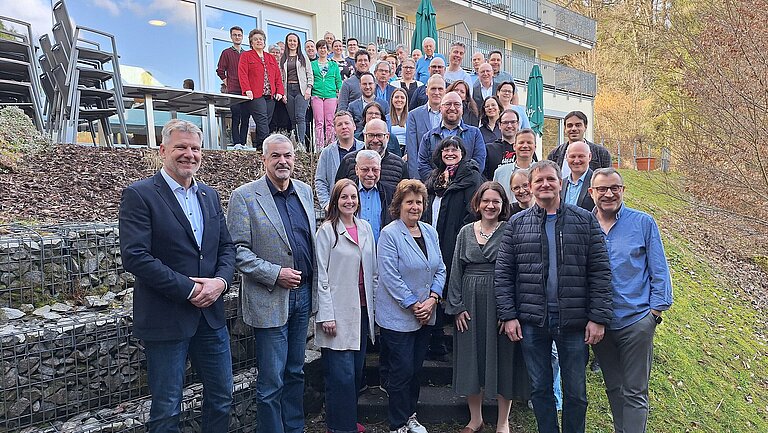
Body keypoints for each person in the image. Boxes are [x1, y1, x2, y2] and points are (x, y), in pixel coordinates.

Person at [119, 119, 236, 433]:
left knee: (222, 396)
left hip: (210, 317)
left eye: (195, 148)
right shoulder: (139, 195)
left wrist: (221, 283)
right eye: (181, 147)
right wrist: (188, 289)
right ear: (162, 150)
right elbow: (135, 256)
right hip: (167, 318)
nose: (190, 154)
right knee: (167, 409)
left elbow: (226, 247)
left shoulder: (209, 196)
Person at [495, 160, 613, 433]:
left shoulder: (584, 220)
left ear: (560, 183)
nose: (545, 184)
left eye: (550, 179)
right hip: (533, 320)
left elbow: (600, 271)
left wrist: (598, 317)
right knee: (540, 389)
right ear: (530, 187)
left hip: (573, 321)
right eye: (539, 181)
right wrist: (509, 315)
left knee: (576, 392)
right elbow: (504, 274)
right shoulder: (516, 224)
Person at [226, 134, 317, 433]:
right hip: (270, 297)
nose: (283, 161)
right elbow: (237, 251)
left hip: (303, 296)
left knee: (295, 372)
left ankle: (295, 428)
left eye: (288, 155)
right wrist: (275, 273)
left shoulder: (304, 191)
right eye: (276, 156)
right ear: (263, 159)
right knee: (271, 381)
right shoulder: (245, 196)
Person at [588, 168, 673, 433]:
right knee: (614, 386)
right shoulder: (583, 225)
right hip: (600, 324)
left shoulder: (643, 223)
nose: (608, 194)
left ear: (623, 190)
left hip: (636, 321)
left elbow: (659, 270)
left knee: (636, 391)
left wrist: (654, 314)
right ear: (592, 193)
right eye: (602, 189)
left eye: (614, 188)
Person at [447, 181, 530, 433]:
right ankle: (476, 419)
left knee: (504, 358)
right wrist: (457, 306)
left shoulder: (510, 230)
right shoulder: (464, 232)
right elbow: (455, 271)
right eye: (486, 200)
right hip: (470, 305)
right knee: (472, 359)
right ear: (478, 203)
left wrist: (509, 312)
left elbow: (517, 273)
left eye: (496, 201)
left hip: (500, 304)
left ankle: (503, 422)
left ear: (503, 204)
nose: (490, 205)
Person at [376, 179, 446, 433]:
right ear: (399, 205)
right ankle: (397, 424)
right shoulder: (389, 234)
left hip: (426, 314)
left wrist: (432, 299)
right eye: (410, 202)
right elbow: (389, 275)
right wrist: (414, 304)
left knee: (416, 370)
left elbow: (440, 268)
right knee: (401, 371)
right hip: (399, 315)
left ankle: (411, 416)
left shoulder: (430, 232)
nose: (415, 207)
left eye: (419, 202)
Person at [316, 178, 378, 433]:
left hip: (362, 311)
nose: (350, 201)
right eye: (344, 197)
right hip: (337, 313)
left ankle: (346, 420)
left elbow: (372, 273)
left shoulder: (365, 228)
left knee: (355, 372)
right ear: (335, 201)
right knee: (340, 375)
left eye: (353, 197)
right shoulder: (327, 231)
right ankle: (341, 427)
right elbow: (321, 276)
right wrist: (326, 315)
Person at [422, 136, 484, 361]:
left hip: (457, 242)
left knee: (455, 291)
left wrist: (459, 235)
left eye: (454, 150)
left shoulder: (471, 177)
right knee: (435, 289)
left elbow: (473, 210)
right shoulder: (434, 177)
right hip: (432, 241)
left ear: (462, 153)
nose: (450, 153)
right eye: (446, 149)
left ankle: (462, 350)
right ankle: (436, 342)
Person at [417, 92, 486, 180]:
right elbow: (423, 165)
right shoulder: (428, 137)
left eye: (457, 104)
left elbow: (479, 161)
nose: (452, 108)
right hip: (437, 191)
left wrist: (460, 182)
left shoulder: (475, 133)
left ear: (462, 109)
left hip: (467, 188)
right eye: (448, 104)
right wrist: (439, 181)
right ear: (440, 108)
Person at [238, 29, 284, 151]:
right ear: (251, 43)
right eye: (256, 39)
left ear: (264, 42)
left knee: (265, 121)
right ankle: (267, 149)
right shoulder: (246, 56)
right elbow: (242, 74)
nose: (259, 41)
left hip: (270, 95)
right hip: (255, 94)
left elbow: (277, 76)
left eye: (261, 39)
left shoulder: (270, 58)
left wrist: (280, 91)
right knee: (262, 120)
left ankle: (259, 148)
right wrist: (247, 89)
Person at [337, 118, 409, 197]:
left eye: (379, 135)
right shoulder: (349, 161)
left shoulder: (399, 165)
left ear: (387, 137)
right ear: (364, 136)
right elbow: (338, 193)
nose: (375, 140)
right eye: (371, 135)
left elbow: (404, 197)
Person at [315, 111, 364, 210]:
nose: (344, 127)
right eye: (339, 124)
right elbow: (320, 180)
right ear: (334, 130)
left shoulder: (365, 149)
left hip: (362, 205)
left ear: (354, 126)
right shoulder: (327, 153)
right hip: (336, 207)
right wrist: (326, 204)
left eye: (347, 123)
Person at [548, 111, 612, 179]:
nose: (574, 129)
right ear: (565, 129)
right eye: (570, 126)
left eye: (578, 125)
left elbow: (609, 180)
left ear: (585, 127)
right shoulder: (554, 155)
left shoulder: (601, 153)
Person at [405, 75, 445, 179]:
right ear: (426, 91)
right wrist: (416, 179)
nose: (437, 92)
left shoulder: (451, 115)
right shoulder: (414, 115)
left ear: (445, 91)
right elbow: (412, 151)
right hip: (422, 177)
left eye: (440, 89)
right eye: (433, 88)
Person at [216, 26, 249, 147]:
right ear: (231, 36)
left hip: (246, 90)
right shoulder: (227, 53)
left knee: (246, 116)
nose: (237, 37)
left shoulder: (246, 54)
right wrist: (227, 82)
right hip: (234, 90)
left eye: (239, 35)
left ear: (242, 37)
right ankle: (237, 142)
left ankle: (244, 142)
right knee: (236, 115)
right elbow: (220, 70)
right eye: (235, 35)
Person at [279, 33, 314, 144]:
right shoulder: (283, 58)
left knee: (300, 116)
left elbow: (310, 74)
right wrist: (282, 93)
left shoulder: (303, 57)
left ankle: (301, 144)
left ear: (298, 43)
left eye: (294, 41)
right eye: (290, 41)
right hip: (288, 89)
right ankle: (294, 144)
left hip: (301, 90)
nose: (292, 43)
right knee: (293, 118)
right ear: (287, 42)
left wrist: (309, 88)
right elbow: (280, 76)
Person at [311, 40, 343, 149]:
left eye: (324, 48)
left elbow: (338, 81)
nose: (322, 50)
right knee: (319, 122)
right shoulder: (313, 64)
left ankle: (330, 146)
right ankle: (319, 147)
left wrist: (340, 93)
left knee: (330, 122)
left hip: (331, 95)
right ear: (317, 50)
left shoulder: (333, 65)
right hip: (317, 95)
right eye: (320, 48)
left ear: (328, 50)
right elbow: (310, 79)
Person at [494, 128, 536, 201]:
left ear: (535, 147)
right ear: (514, 146)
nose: (525, 146)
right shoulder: (500, 173)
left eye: (529, 142)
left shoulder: (542, 172)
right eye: (521, 142)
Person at [484, 108, 520, 179]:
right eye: (505, 122)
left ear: (518, 124)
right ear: (500, 125)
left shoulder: (526, 149)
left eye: (513, 122)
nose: (509, 126)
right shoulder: (489, 149)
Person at [562, 141, 595, 211]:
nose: (576, 161)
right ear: (566, 157)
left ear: (589, 157)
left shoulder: (596, 182)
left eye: (581, 156)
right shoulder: (561, 184)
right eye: (572, 156)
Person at [389, 87, 409, 156]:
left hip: (406, 152)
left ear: (406, 100)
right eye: (396, 97)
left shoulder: (411, 118)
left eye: (402, 97)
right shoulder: (386, 118)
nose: (399, 100)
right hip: (391, 152)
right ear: (392, 99)